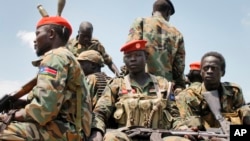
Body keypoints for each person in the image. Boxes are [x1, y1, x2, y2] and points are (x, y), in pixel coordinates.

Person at [0, 16, 92, 140]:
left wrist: (12, 115)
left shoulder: (55, 57)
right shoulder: (65, 56)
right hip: (71, 129)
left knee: (3, 129)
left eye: (37, 33)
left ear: (51, 33)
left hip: (68, 132)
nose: (34, 40)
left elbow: (43, 110)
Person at [89, 40, 190, 141]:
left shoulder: (162, 84)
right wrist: (97, 131)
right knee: (111, 137)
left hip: (158, 138)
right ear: (124, 60)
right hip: (127, 137)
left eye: (137, 55)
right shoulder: (117, 84)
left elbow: (175, 116)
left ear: (146, 57)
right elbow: (100, 113)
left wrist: (183, 129)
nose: (133, 59)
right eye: (128, 56)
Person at [175, 51, 250, 140]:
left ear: (223, 72)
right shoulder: (189, 95)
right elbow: (185, 125)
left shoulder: (234, 91)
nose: (209, 71)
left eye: (214, 68)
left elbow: (244, 121)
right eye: (206, 68)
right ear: (201, 72)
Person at [126, 0, 186, 95]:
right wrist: (179, 86)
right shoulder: (177, 34)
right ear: (168, 12)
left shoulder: (141, 22)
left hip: (140, 86)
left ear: (153, 11)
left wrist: (124, 76)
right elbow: (179, 68)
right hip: (165, 88)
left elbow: (130, 50)